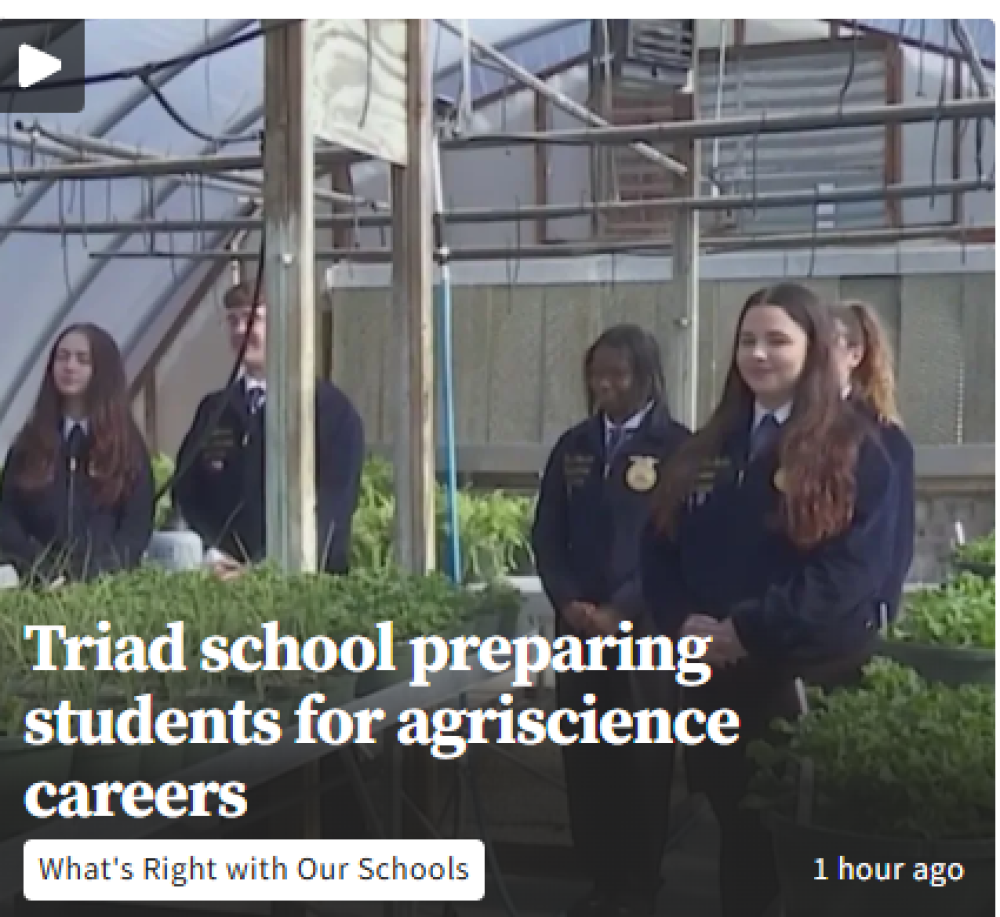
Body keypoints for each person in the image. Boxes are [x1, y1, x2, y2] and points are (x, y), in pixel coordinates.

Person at [639, 283, 899, 917]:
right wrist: (682, 622)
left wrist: (747, 630)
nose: (758, 354)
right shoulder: (707, 448)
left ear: (813, 350)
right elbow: (658, 545)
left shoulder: (857, 450)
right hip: (715, 682)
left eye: (777, 340)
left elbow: (848, 575)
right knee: (740, 841)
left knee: (803, 854)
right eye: (748, 341)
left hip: (801, 684)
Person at [531, 324, 690, 917]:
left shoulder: (677, 447)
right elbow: (547, 534)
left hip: (644, 630)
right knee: (587, 753)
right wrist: (569, 602)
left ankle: (639, 884)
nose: (605, 384)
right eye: (597, 373)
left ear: (645, 376)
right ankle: (599, 875)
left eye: (618, 374)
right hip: (578, 629)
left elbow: (680, 542)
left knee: (641, 757)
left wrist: (624, 609)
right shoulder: (573, 446)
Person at [173, 278, 364, 577]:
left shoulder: (330, 411)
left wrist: (264, 569)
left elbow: (334, 505)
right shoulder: (215, 410)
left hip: (305, 584)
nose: (240, 331)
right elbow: (187, 491)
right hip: (223, 580)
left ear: (286, 325)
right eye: (232, 321)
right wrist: (216, 550)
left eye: (252, 319)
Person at [0, 323, 154, 584]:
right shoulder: (30, 443)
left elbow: (135, 529)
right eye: (62, 357)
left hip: (102, 590)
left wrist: (96, 573)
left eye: (83, 360)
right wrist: (37, 566)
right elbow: (7, 518)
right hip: (36, 585)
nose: (69, 367)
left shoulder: (126, 447)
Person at [831, 300, 915, 624]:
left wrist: (880, 609)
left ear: (855, 353)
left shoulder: (882, 439)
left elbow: (896, 541)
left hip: (851, 618)